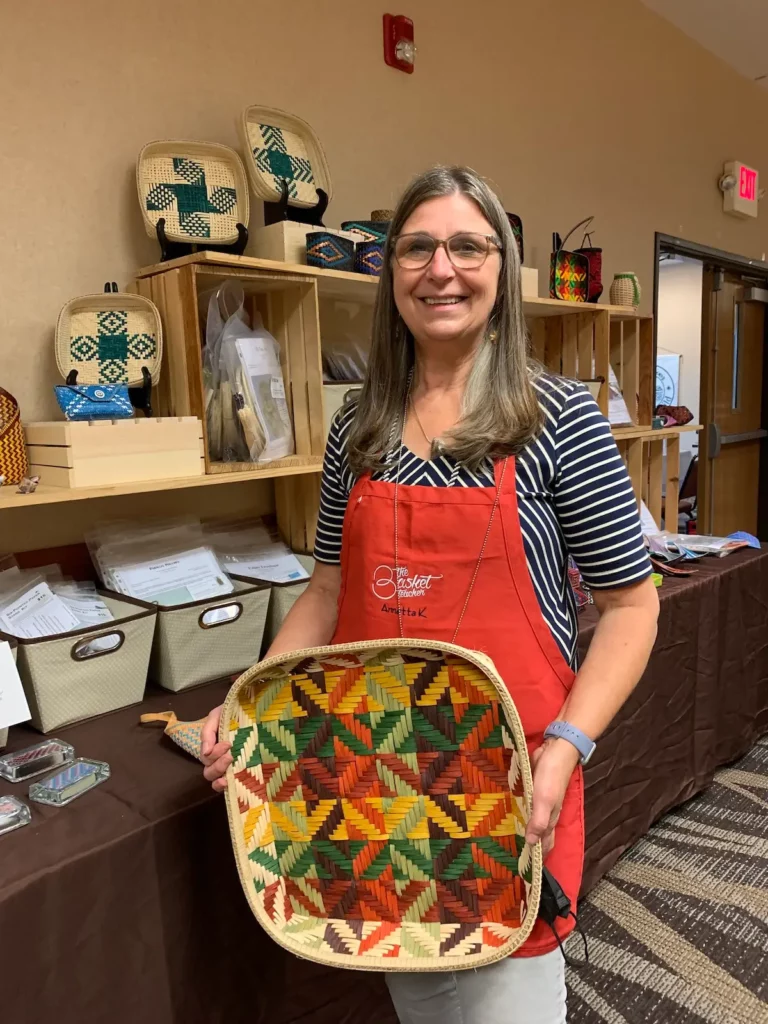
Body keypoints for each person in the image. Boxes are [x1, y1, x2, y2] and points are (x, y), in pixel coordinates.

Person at [201, 166, 659, 1024]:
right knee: (417, 987)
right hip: (375, 780)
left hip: (512, 783)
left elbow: (634, 608)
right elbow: (329, 589)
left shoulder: (558, 418)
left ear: (501, 266)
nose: (440, 268)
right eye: (417, 247)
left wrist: (566, 746)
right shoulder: (359, 425)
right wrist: (253, 699)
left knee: (503, 997)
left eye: (467, 246)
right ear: (391, 274)